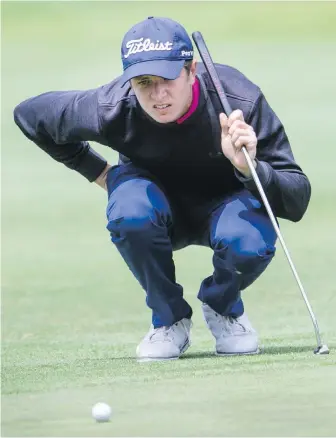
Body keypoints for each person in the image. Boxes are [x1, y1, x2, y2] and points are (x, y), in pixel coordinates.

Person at [14, 16, 311, 362]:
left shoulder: (238, 100)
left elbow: (297, 198)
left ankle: (223, 306)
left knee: (249, 242)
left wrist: (250, 168)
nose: (158, 95)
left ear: (191, 69)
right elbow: (30, 116)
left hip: (228, 205)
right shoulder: (113, 107)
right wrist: (100, 173)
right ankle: (169, 319)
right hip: (152, 205)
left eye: (168, 79)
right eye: (144, 82)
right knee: (128, 210)